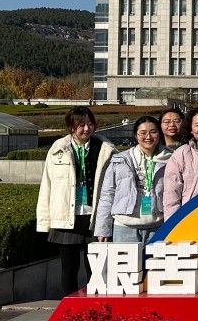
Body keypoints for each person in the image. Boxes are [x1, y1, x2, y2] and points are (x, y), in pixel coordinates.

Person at [37, 106, 116, 295]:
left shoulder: (105, 150)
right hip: (67, 217)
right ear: (71, 127)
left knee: (96, 270)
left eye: (90, 124)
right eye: (81, 125)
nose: (87, 129)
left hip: (94, 217)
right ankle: (69, 307)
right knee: (68, 269)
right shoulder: (58, 150)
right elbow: (46, 186)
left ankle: (95, 306)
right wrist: (44, 221)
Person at [93, 115, 171, 244]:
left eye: (153, 132)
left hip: (158, 225)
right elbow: (107, 194)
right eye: (143, 133)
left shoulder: (170, 159)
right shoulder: (120, 160)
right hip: (125, 226)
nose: (148, 137)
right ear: (135, 135)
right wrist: (103, 229)